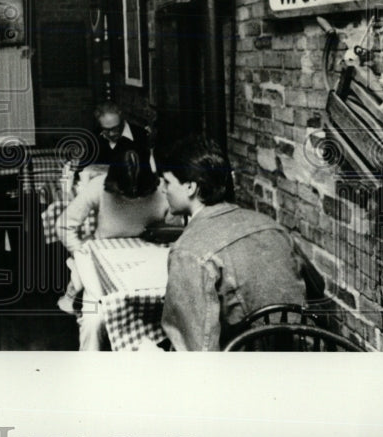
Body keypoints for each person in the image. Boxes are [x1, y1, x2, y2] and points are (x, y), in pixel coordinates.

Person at [156, 134, 307, 351]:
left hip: (242, 375)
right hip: (300, 364)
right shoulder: (272, 226)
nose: (163, 189)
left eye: (167, 181)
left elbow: (197, 352)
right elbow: (315, 288)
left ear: (190, 187)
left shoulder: (187, 251)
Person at [58, 154, 169, 350]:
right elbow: (64, 224)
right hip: (103, 263)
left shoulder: (163, 189)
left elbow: (176, 229)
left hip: (147, 264)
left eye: (139, 192)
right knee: (94, 320)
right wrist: (82, 253)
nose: (132, 195)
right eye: (125, 192)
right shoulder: (99, 186)